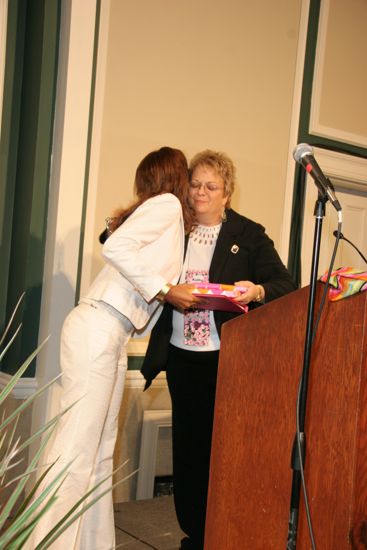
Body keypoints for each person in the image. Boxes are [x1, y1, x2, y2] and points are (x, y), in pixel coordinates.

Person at [26, 147, 194, 550]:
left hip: (112, 333)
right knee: (76, 450)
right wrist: (168, 289)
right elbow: (115, 248)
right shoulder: (167, 204)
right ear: (176, 177)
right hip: (99, 326)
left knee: (99, 453)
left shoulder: (164, 215)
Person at [141, 149, 297, 550]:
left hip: (226, 361)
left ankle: (221, 531)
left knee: (221, 450)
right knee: (187, 448)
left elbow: (284, 284)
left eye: (212, 186)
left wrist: (256, 290)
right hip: (180, 357)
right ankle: (194, 531)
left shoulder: (248, 235)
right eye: (195, 184)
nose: (200, 193)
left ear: (227, 193)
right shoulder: (176, 227)